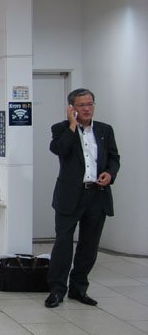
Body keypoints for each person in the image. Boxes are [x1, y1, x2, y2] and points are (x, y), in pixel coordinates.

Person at [45, 88, 120, 308]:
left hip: (97, 195)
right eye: (81, 105)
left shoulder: (105, 130)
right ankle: (57, 290)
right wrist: (71, 126)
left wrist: (110, 173)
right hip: (70, 196)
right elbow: (59, 150)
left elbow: (114, 158)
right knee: (63, 244)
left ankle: (79, 288)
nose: (87, 109)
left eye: (90, 104)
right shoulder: (60, 129)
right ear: (72, 108)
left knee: (89, 246)